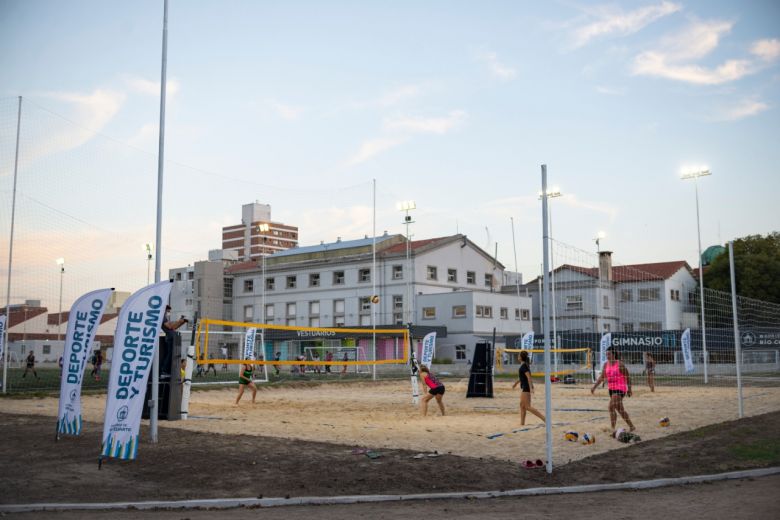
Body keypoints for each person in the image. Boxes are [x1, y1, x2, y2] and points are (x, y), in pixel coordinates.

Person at [591, 348, 635, 434]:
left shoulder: (620, 364)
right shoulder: (605, 365)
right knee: (620, 410)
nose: (607, 356)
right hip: (611, 389)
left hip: (620, 388)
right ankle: (632, 426)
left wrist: (629, 389)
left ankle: (612, 429)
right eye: (606, 354)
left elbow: (628, 377)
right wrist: (594, 387)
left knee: (611, 407)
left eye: (609, 354)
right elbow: (602, 377)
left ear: (614, 354)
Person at [512, 350, 545, 425]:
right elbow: (522, 378)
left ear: (521, 357)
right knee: (522, 405)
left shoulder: (524, 366)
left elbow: (529, 378)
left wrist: (531, 388)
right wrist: (516, 383)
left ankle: (544, 418)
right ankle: (522, 423)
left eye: (518, 355)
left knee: (527, 406)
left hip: (526, 387)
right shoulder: (523, 365)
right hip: (525, 387)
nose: (518, 356)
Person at [162, 306, 188, 376]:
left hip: (173, 337)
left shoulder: (165, 317)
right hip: (170, 338)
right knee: (169, 355)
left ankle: (167, 371)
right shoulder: (162, 317)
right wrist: (179, 321)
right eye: (168, 311)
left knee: (172, 355)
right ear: (165, 310)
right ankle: (164, 371)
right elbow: (171, 326)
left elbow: (174, 327)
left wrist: (182, 322)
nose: (169, 312)